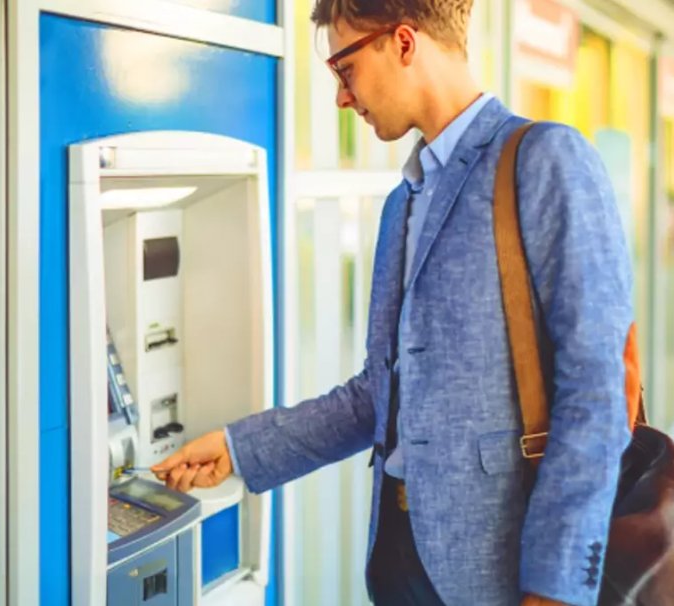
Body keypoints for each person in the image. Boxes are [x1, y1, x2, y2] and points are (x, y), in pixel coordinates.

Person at [151, 2, 634, 604]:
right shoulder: (402, 204)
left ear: (403, 42)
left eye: (344, 69)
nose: (341, 98)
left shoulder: (545, 160)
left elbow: (595, 392)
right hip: (400, 560)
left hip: (505, 575)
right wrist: (240, 447)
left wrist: (558, 589)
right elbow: (378, 397)